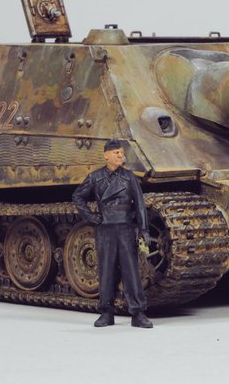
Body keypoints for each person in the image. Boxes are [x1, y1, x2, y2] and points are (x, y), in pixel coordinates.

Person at [72, 139, 153, 328]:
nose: (120, 155)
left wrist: (143, 229)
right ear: (106, 155)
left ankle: (138, 313)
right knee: (106, 270)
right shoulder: (95, 177)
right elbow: (77, 196)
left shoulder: (129, 177)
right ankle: (106, 312)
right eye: (116, 152)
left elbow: (140, 205)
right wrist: (90, 217)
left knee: (130, 270)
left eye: (121, 153)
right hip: (105, 228)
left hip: (125, 228)